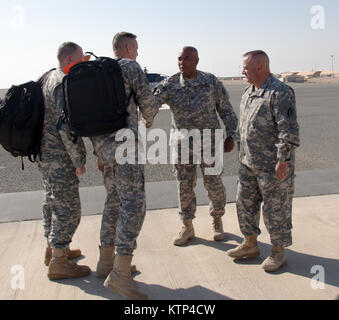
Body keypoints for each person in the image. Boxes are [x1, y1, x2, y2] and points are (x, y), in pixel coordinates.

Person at [91, 32, 161, 300]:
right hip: (125, 145)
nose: (138, 52)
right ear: (129, 47)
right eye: (137, 47)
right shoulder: (130, 66)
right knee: (134, 204)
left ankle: (105, 263)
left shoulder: (98, 72)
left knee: (114, 200)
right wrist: (149, 120)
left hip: (102, 147)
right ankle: (121, 274)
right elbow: (149, 104)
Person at [154, 46, 238, 246]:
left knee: (213, 184)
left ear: (197, 61)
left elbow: (226, 109)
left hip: (209, 143)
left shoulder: (211, 82)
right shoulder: (170, 84)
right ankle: (187, 226)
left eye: (187, 58)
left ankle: (217, 220)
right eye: (180, 59)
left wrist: (231, 135)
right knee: (184, 185)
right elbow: (151, 104)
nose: (182, 62)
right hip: (182, 146)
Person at [226, 50, 300, 272]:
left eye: (245, 68)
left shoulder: (280, 92)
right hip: (248, 162)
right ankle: (250, 244)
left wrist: (283, 159)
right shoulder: (249, 92)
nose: (242, 71)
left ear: (260, 67)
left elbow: (288, 128)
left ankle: (278, 252)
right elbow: (244, 125)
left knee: (276, 209)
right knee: (244, 202)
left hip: (272, 165)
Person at [39, 42, 91, 280]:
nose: (83, 61)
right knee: (69, 209)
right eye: (80, 58)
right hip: (60, 156)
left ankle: (53, 249)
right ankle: (59, 261)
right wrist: (78, 159)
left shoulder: (48, 77)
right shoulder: (62, 84)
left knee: (51, 202)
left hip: (45, 154)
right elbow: (64, 126)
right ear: (70, 58)